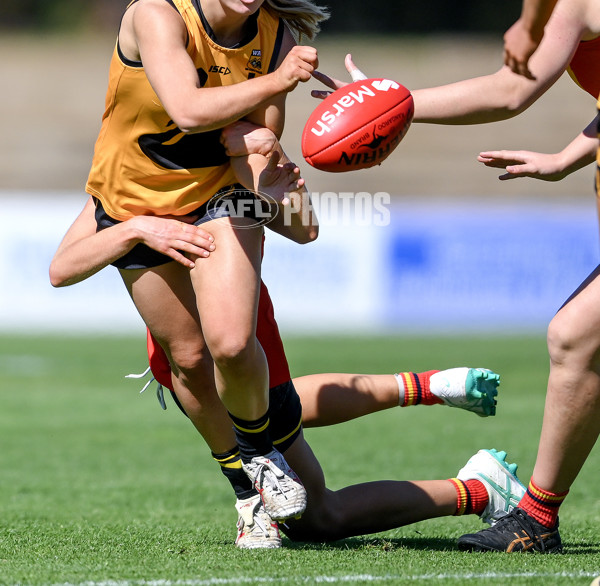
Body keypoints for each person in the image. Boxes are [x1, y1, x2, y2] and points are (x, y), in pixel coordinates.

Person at [312, 0, 600, 553]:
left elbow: (509, 91)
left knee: (576, 338)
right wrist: (573, 152)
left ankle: (534, 520)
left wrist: (395, 104)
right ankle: (535, 519)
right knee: (579, 340)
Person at [50, 195, 514, 550]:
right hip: (185, 332)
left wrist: (269, 180)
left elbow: (302, 224)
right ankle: (430, 387)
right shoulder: (126, 171)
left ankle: (477, 490)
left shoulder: (226, 146)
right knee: (267, 409)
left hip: (222, 318)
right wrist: (135, 228)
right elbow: (61, 268)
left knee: (318, 517)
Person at [84, 0, 329, 524]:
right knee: (186, 359)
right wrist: (278, 83)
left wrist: (277, 193)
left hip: (216, 194)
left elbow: (257, 144)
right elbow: (189, 108)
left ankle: (259, 457)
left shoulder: (275, 35)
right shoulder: (157, 11)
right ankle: (247, 491)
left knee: (226, 341)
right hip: (137, 198)